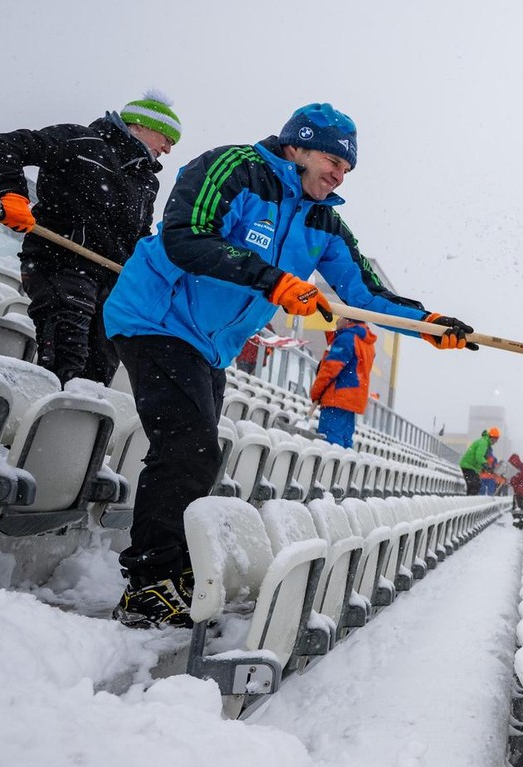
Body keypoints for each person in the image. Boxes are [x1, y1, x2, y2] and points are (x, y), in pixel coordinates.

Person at [101, 103, 476, 628]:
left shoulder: (323, 220)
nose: (340, 174)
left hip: (209, 345)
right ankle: (147, 584)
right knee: (187, 447)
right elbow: (185, 236)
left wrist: (429, 324)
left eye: (347, 168)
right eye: (333, 160)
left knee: (202, 455)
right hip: (154, 319)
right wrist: (273, 280)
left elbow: (364, 292)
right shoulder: (232, 169)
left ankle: (175, 569)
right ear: (297, 146)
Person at [0, 92, 183, 386]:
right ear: (140, 125)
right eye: (167, 139)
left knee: (96, 377)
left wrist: (152, 270)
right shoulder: (79, 141)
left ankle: (69, 426)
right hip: (60, 264)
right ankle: (41, 416)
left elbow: (139, 235)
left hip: (109, 284)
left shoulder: (147, 180)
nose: (168, 150)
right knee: (67, 359)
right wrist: (13, 194)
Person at [308, 319, 379, 447]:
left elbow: (330, 369)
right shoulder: (366, 342)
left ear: (348, 320)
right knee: (344, 445)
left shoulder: (347, 338)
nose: (337, 320)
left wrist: (316, 391)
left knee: (329, 444)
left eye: (340, 317)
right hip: (351, 401)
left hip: (337, 398)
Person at [459, 428, 499, 495]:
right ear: (493, 437)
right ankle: (470, 501)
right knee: (474, 485)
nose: (496, 442)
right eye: (496, 439)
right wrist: (486, 466)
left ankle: (470, 500)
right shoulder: (484, 443)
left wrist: (485, 467)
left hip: (472, 467)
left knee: (476, 485)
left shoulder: (485, 442)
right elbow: (479, 456)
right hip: (468, 466)